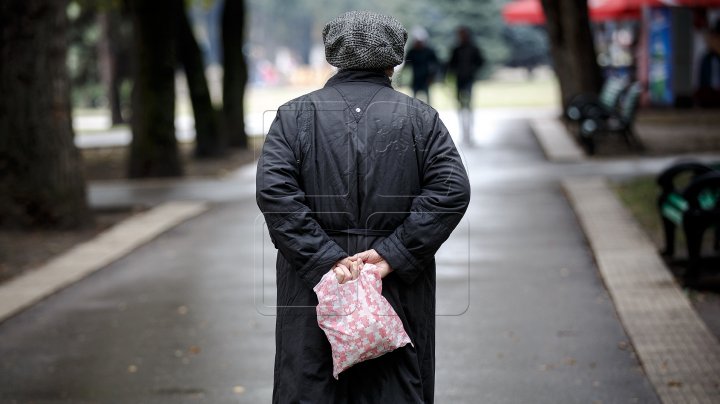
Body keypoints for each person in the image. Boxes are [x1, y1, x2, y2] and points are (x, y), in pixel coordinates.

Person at [256, 10, 470, 404]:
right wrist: (396, 253)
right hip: (394, 281)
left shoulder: (293, 117)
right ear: (394, 60)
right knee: (397, 386)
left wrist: (326, 262)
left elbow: (276, 195)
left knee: (310, 384)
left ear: (333, 56)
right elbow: (451, 189)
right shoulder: (421, 118)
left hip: (314, 283)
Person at [447, 26, 485, 146]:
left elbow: (480, 61)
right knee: (460, 105)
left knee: (468, 105)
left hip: (468, 79)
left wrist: (472, 70)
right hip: (460, 79)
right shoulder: (457, 49)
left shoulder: (473, 49)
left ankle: (470, 131)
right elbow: (451, 63)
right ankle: (464, 131)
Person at [404, 28, 439, 104]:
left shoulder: (429, 52)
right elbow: (406, 64)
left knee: (428, 99)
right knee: (414, 99)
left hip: (426, 79)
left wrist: (432, 77)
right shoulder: (412, 52)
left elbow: (435, 65)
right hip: (416, 79)